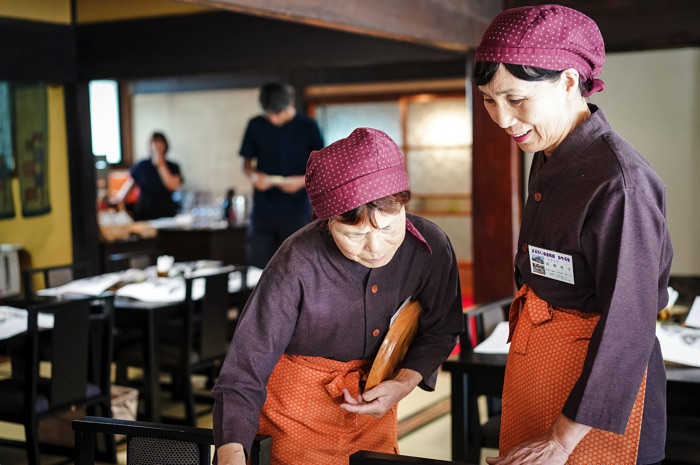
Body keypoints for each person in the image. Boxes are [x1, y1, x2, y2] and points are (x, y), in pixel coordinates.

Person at [473, 5, 673, 465]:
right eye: (488, 99)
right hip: (542, 364)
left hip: (596, 393)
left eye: (516, 98)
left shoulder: (620, 181)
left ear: (567, 82)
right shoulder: (548, 151)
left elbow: (630, 320)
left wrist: (563, 439)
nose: (502, 118)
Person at [212, 127, 463, 465]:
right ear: (327, 221)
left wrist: (403, 383)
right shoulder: (297, 260)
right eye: (352, 234)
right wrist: (231, 454)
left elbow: (442, 328)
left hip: (375, 410)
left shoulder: (430, 247)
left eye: (388, 228)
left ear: (404, 204)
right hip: (293, 418)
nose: (375, 248)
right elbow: (244, 372)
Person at [240, 81, 324, 268]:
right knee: (258, 265)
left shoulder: (308, 126)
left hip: (296, 209)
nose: (273, 119)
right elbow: (246, 165)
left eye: (277, 114)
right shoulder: (255, 125)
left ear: (290, 104)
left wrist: (301, 181)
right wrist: (253, 176)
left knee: (296, 264)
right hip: (263, 209)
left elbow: (320, 167)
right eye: (269, 114)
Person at [113, 131, 182, 220]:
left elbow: (172, 186)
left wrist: (161, 165)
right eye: (155, 142)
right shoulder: (142, 165)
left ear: (165, 145)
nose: (157, 146)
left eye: (160, 142)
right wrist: (119, 199)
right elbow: (130, 184)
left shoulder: (173, 166)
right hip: (144, 211)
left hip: (166, 212)